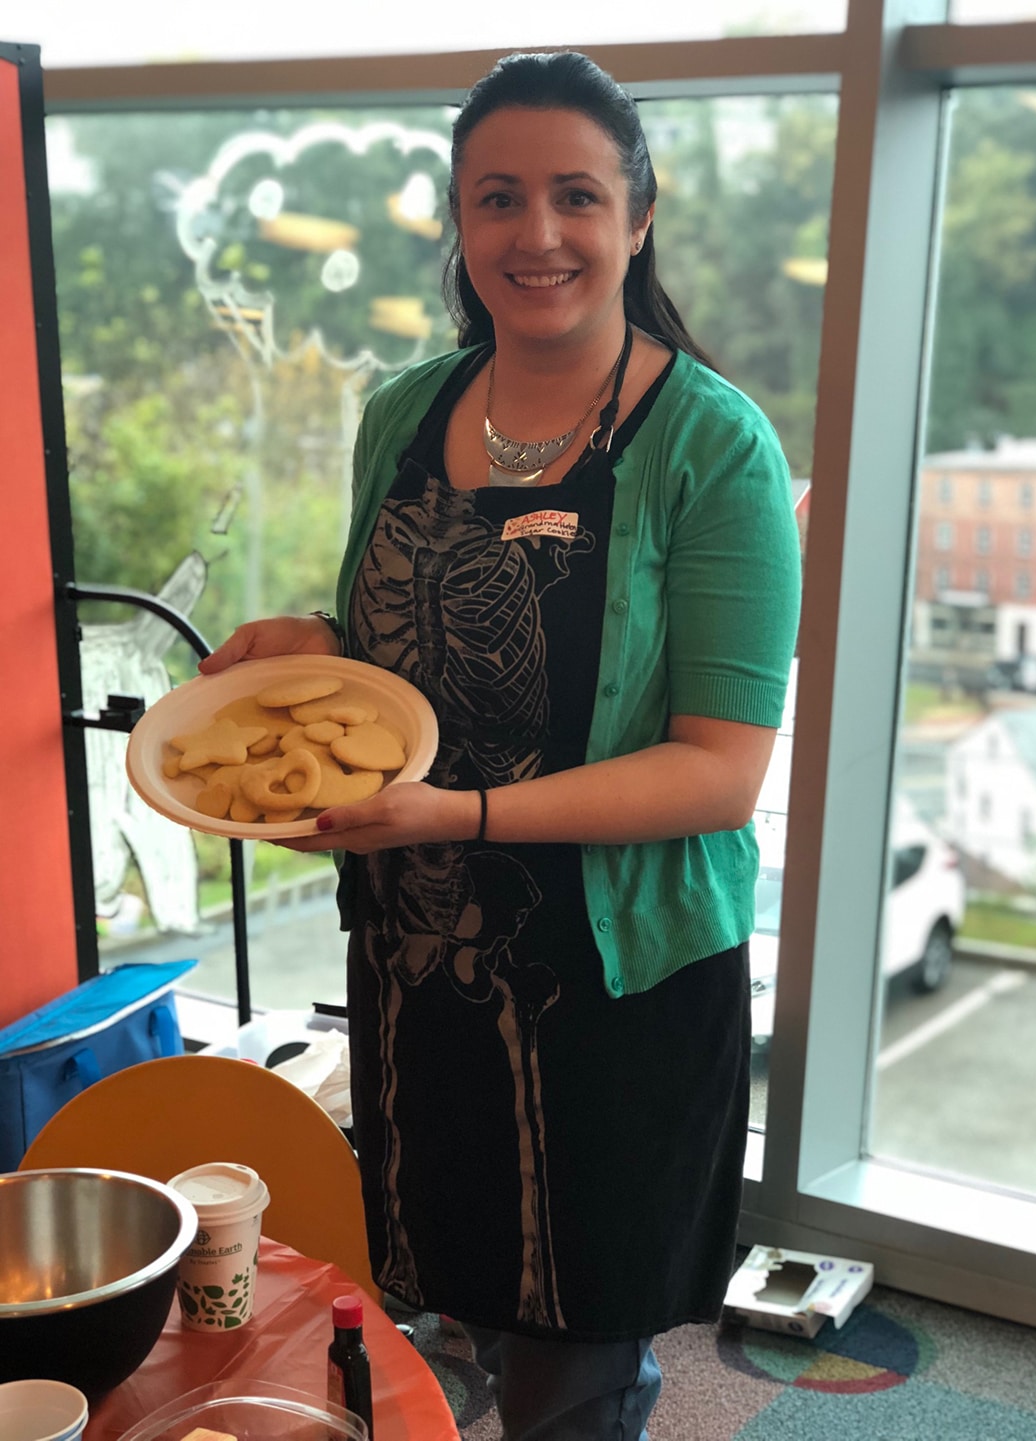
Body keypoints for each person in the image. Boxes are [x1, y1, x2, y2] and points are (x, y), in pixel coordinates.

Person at [201, 50, 802, 1441]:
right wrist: (312, 638)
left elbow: (721, 769)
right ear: (460, 225)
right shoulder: (403, 411)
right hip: (423, 967)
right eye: (499, 198)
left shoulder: (713, 444)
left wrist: (458, 817)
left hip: (613, 988)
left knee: (574, 1365)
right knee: (449, 1304)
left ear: (639, 216)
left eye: (577, 196)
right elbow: (402, 658)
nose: (538, 235)